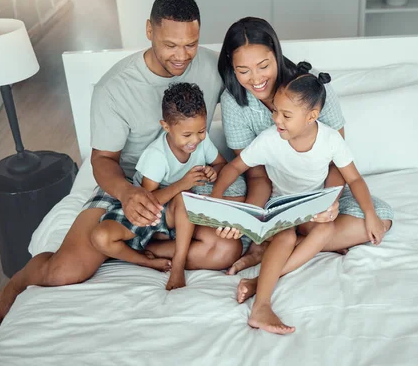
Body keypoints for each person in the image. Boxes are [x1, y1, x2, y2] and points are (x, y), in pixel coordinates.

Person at [0, 0, 242, 330]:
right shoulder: (115, 86)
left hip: (185, 188)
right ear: (149, 31)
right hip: (128, 186)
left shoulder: (213, 67)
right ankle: (22, 279)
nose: (182, 56)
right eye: (170, 45)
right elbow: (103, 160)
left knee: (225, 252)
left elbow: (260, 86)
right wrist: (127, 194)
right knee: (64, 272)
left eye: (191, 44)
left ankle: (130, 249)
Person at [211, 71, 394, 335]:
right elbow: (234, 167)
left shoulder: (330, 140)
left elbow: (354, 179)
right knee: (285, 238)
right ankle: (261, 305)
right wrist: (217, 199)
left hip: (312, 206)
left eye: (286, 115)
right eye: (276, 111)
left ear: (312, 116)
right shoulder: (270, 140)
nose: (276, 120)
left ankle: (256, 281)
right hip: (279, 205)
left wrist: (369, 214)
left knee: (327, 229)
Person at [217, 17, 367, 275]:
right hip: (271, 194)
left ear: (276, 54)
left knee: (378, 220)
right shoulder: (234, 101)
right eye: (243, 71)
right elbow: (255, 173)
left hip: (320, 191)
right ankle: (289, 240)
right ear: (231, 66)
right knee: (238, 230)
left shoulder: (312, 88)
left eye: (263, 66)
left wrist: (329, 202)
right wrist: (251, 213)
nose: (256, 80)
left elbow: (335, 162)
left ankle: (279, 244)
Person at [90, 82, 247, 290]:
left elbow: (220, 164)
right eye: (187, 135)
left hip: (177, 216)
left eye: (200, 131)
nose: (195, 140)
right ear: (166, 127)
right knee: (99, 238)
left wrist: (213, 171)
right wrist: (183, 184)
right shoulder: (156, 155)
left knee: (228, 249)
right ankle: (157, 261)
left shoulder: (203, 141)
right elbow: (147, 200)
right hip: (149, 212)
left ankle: (156, 247)